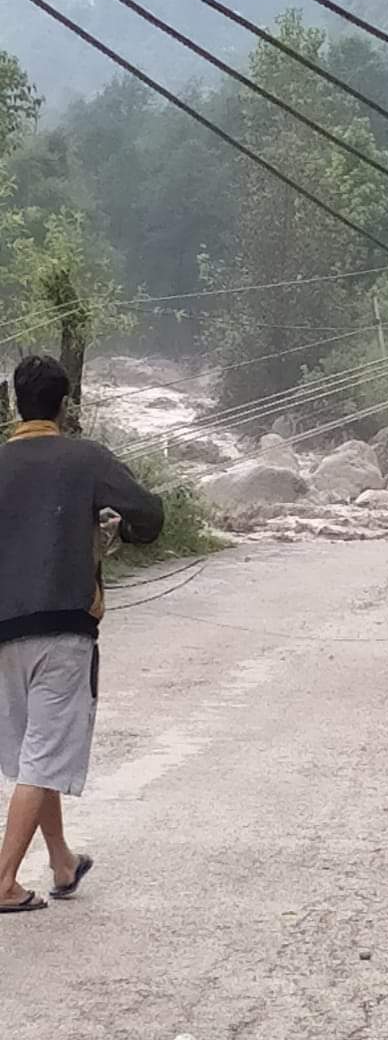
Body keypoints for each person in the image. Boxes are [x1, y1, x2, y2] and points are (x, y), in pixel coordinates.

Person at [0, 355, 164, 913]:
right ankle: (3, 883)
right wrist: (128, 530)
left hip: (2, 633)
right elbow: (147, 511)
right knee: (44, 755)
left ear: (14, 401)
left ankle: (62, 862)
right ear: (64, 405)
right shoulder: (85, 457)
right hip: (62, 628)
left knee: (32, 755)